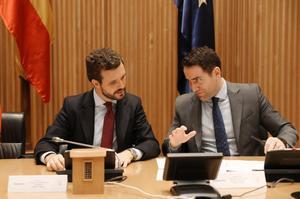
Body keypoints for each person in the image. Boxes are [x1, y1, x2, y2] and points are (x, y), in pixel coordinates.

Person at [35, 48, 160, 171]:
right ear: (96, 83)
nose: (121, 85)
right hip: (83, 175)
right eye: (113, 82)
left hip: (120, 176)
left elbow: (151, 144)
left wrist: (130, 153)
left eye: (123, 77)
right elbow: (46, 143)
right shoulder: (73, 106)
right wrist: (50, 157)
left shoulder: (133, 104)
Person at [162, 46, 298, 156]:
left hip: (247, 172)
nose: (193, 88)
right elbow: (169, 144)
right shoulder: (183, 104)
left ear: (216, 73)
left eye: (197, 80)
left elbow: (287, 129)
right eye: (189, 81)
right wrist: (174, 144)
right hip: (205, 173)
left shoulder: (251, 95)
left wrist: (281, 141)